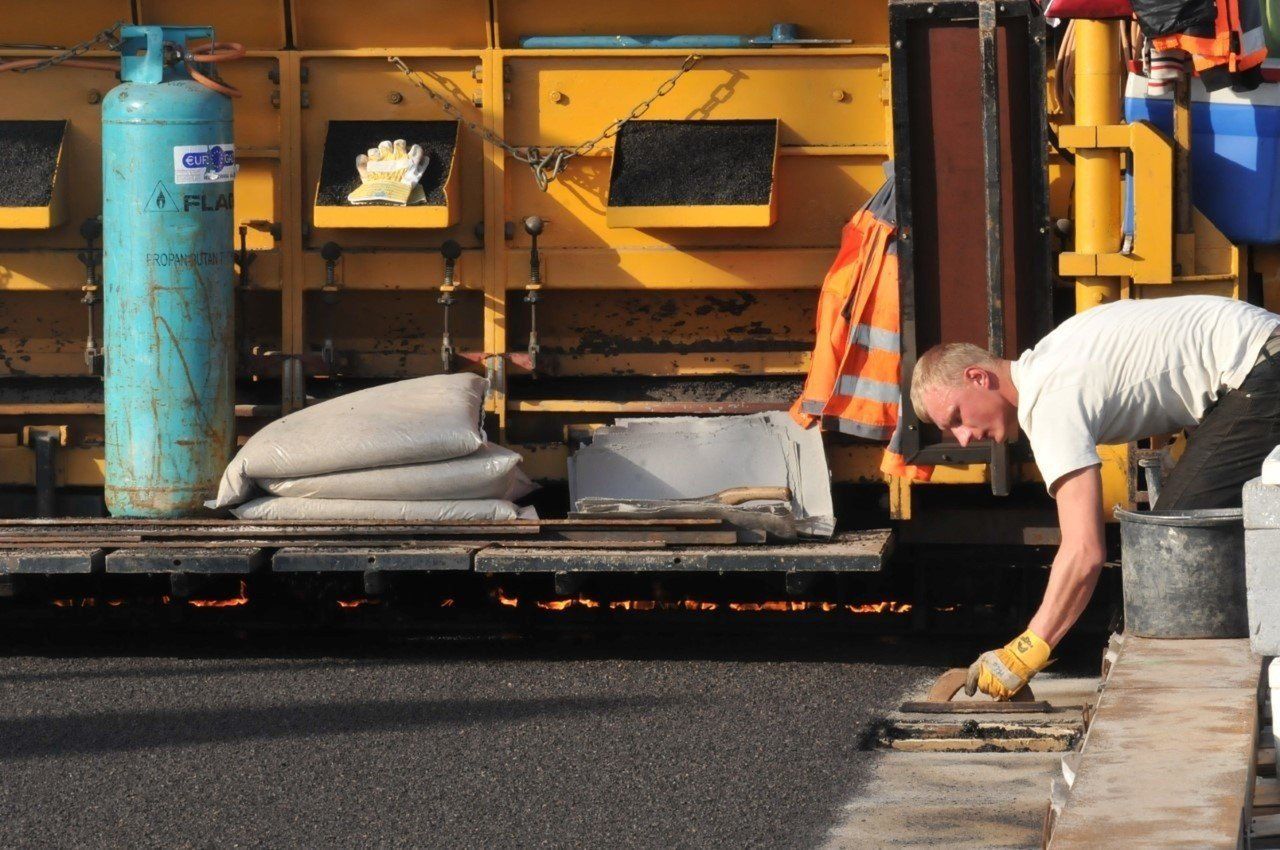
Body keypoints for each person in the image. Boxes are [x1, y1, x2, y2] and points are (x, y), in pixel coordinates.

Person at [910, 295, 1280, 700]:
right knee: (1177, 528)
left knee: (1175, 541)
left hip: (1260, 369)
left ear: (978, 377)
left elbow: (1085, 551)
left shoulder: (1048, 403)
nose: (964, 438)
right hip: (1258, 353)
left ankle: (1198, 695)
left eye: (958, 418)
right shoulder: (1050, 355)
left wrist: (1028, 649)